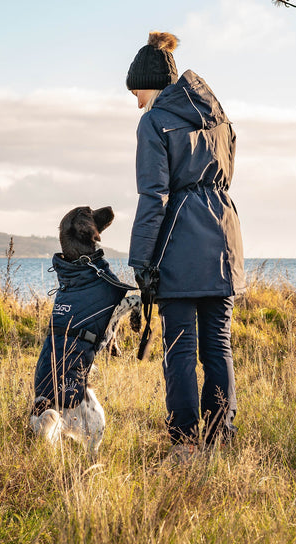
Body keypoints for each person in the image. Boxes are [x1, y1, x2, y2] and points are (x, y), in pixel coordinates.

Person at [125, 31, 245, 459]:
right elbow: (226, 178)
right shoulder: (222, 118)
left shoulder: (154, 122)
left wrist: (140, 259)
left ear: (150, 83)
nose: (137, 101)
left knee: (179, 345)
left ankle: (184, 443)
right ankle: (221, 438)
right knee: (218, 342)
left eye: (136, 91)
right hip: (225, 241)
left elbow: (153, 196)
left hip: (178, 245)